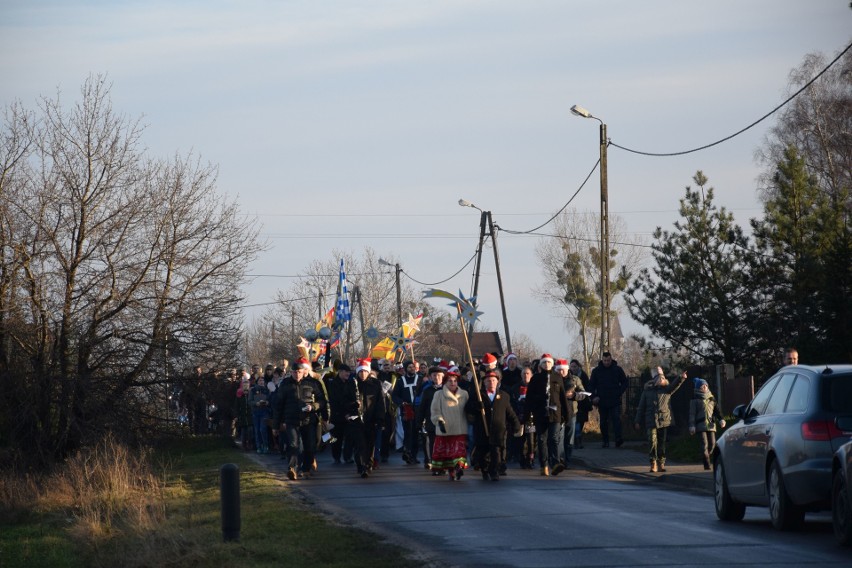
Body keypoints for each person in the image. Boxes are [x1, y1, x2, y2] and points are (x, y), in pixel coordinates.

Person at [273, 357, 329, 480]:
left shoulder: (313, 383)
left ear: (304, 371)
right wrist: (276, 426)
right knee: (294, 445)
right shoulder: (285, 384)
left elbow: (322, 401)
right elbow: (278, 405)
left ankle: (306, 468)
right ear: (291, 372)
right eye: (294, 372)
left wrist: (314, 407)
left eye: (299, 372)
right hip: (291, 420)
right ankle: (292, 468)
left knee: (310, 446)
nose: (297, 374)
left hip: (309, 420)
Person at [468, 371, 522, 481]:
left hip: (498, 431)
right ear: (484, 382)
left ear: (497, 381)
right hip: (483, 429)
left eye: (493, 380)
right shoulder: (478, 395)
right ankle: (485, 469)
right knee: (483, 453)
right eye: (488, 381)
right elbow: (468, 408)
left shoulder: (504, 396)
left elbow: (510, 412)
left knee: (496, 453)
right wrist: (476, 406)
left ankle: (494, 471)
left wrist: (516, 424)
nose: (491, 383)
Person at [634, 367, 687, 472]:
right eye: (659, 377)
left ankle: (661, 463)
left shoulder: (667, 389)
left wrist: (681, 378)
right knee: (652, 441)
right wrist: (637, 420)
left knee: (661, 443)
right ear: (654, 379)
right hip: (651, 420)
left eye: (662, 377)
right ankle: (653, 462)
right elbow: (641, 407)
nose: (661, 379)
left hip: (663, 420)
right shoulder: (647, 391)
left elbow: (675, 385)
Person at [526, 354, 568, 476]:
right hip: (540, 413)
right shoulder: (536, 378)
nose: (547, 365)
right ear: (541, 365)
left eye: (549, 363)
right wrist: (528, 414)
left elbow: (562, 396)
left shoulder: (557, 377)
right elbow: (529, 398)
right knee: (541, 439)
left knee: (554, 438)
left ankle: (555, 463)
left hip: (555, 413)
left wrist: (566, 413)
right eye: (544, 363)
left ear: (552, 364)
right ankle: (543, 464)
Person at [343, 358, 386, 478]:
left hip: (371, 419)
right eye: (360, 372)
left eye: (365, 372)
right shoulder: (351, 384)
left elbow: (380, 403)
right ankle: (362, 466)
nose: (363, 374)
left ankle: (368, 463)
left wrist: (380, 419)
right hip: (356, 419)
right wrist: (352, 406)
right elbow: (344, 401)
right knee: (360, 444)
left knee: (370, 444)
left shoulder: (376, 384)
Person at [430, 367, 470, 481]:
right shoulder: (439, 394)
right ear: (445, 382)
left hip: (460, 428)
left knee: (458, 452)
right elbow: (435, 411)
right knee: (448, 454)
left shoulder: (464, 394)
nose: (453, 383)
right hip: (446, 429)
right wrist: (439, 421)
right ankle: (451, 471)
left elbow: (469, 408)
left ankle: (458, 468)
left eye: (455, 381)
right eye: (450, 381)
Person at [589, 351, 628, 448]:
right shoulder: (596, 371)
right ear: (602, 360)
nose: (606, 362)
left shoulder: (617, 370)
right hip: (602, 400)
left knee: (616, 420)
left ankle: (618, 439)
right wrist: (594, 397)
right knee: (603, 421)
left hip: (614, 399)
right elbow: (591, 386)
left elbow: (625, 382)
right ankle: (605, 440)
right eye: (605, 360)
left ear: (611, 359)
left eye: (608, 360)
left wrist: (619, 392)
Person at [688, 378, 726, 470]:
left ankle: (706, 456)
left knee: (712, 444)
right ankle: (707, 464)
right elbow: (692, 414)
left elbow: (717, 411)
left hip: (711, 425)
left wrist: (721, 419)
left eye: (706, 385)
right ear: (698, 388)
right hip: (700, 425)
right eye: (702, 386)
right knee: (704, 444)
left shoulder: (712, 398)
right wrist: (692, 425)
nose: (705, 387)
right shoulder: (695, 399)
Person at [555, 359, 587, 466]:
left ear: (566, 369)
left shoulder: (575, 379)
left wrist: (574, 396)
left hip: (572, 412)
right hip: (558, 413)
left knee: (569, 438)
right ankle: (559, 460)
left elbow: (583, 393)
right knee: (559, 437)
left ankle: (567, 460)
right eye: (558, 370)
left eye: (562, 370)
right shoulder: (553, 380)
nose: (561, 372)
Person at [416, 363, 445, 474]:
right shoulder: (427, 390)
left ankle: (443, 465)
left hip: (444, 421)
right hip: (431, 421)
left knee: (443, 444)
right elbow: (422, 407)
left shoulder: (446, 389)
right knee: (433, 444)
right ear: (431, 377)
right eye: (434, 375)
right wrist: (419, 421)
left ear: (442, 376)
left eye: (438, 375)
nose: (436, 377)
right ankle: (435, 465)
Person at [391, 360, 421, 464]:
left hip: (418, 411)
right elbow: (394, 396)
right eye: (409, 367)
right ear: (405, 369)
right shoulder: (400, 381)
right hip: (406, 411)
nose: (412, 369)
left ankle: (414, 455)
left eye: (413, 367)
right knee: (408, 432)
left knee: (416, 433)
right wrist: (401, 402)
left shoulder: (420, 379)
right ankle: (407, 452)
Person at [509, 365, 536, 469]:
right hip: (519, 418)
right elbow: (511, 402)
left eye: (528, 373)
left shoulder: (534, 387)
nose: (526, 376)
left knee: (531, 439)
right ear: (521, 375)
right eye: (524, 373)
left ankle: (531, 458)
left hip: (531, 418)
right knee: (520, 439)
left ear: (531, 375)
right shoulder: (515, 388)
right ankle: (521, 458)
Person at [324, 363, 353, 464]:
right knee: (336, 438)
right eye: (346, 371)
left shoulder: (350, 383)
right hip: (337, 415)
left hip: (349, 415)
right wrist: (344, 412)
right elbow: (336, 400)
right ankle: (336, 456)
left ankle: (347, 456)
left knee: (350, 437)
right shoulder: (333, 383)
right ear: (340, 372)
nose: (348, 373)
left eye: (349, 372)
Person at [569, 359, 592, 449]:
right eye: (572, 366)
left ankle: (577, 439)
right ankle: (576, 440)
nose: (573, 368)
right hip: (572, 403)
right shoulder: (568, 376)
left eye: (575, 366)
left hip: (582, 403)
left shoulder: (583, 375)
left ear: (578, 367)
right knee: (575, 422)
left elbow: (586, 387)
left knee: (580, 422)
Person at [249, 376, 271, 453]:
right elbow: (250, 401)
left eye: (262, 380)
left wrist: (268, 403)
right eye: (260, 380)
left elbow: (270, 400)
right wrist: (256, 403)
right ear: (257, 382)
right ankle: (259, 446)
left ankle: (265, 445)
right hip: (255, 412)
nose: (261, 382)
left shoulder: (267, 390)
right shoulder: (253, 390)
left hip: (264, 412)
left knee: (263, 429)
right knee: (257, 430)